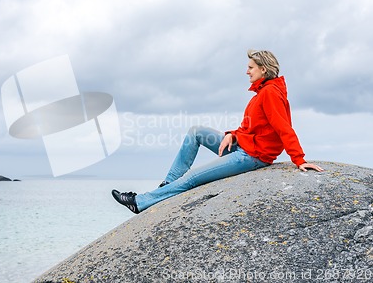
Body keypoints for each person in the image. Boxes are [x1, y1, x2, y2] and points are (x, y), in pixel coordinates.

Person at [112, 49, 324, 214]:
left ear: (263, 70)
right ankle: (167, 184)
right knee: (196, 132)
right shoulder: (260, 94)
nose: (247, 71)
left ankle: (139, 203)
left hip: (252, 156)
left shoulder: (269, 94)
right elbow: (250, 128)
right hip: (243, 145)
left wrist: (299, 159)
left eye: (251, 67)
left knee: (194, 178)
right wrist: (232, 134)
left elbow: (283, 127)